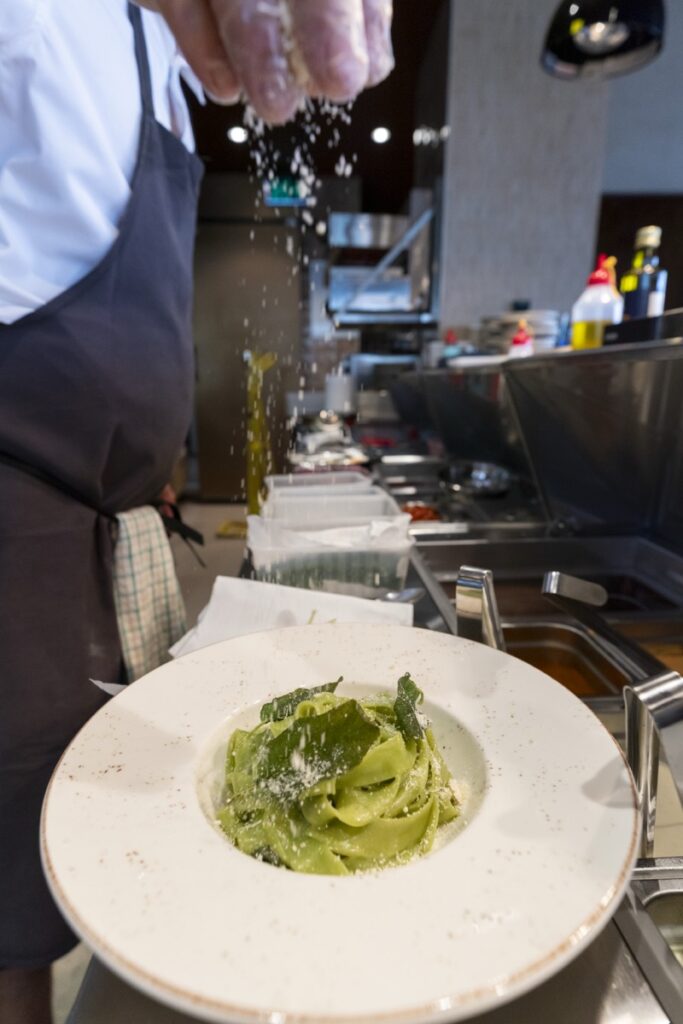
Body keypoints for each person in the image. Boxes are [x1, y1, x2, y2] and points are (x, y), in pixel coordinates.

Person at [0, 2, 393, 1022]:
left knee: (132, 839)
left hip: (118, 530)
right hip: (15, 544)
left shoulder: (159, 59)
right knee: (8, 911)